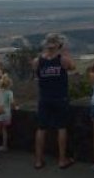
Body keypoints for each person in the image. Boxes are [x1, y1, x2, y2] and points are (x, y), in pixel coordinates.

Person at [32, 33, 76, 170]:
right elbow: (72, 67)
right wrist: (63, 51)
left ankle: (38, 161)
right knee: (61, 128)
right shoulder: (62, 60)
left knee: (41, 128)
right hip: (60, 98)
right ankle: (62, 160)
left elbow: (36, 75)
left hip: (44, 98)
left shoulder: (37, 61)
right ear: (58, 44)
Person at [0, 73, 16, 154]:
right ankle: (4, 146)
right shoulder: (10, 92)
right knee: (4, 130)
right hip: (7, 113)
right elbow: (12, 103)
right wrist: (15, 107)